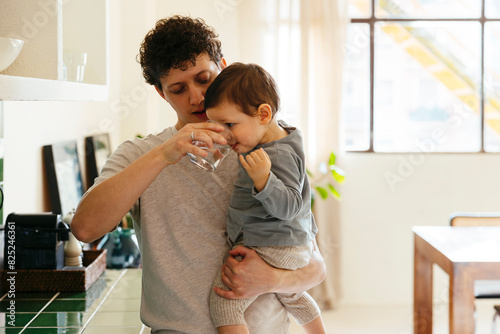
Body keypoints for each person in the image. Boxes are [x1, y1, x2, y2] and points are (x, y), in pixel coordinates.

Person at [71, 15, 326, 333]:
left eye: (204, 78)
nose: (196, 97)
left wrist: (275, 279)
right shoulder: (139, 155)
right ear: (162, 93)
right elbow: (85, 228)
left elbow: (314, 264)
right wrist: (165, 154)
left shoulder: (267, 149)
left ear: (223, 65)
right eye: (178, 89)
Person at [204, 63, 326, 334]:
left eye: (230, 125)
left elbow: (291, 206)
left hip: (273, 243)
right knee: (292, 294)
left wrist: (264, 180)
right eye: (218, 126)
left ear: (263, 113)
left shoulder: (276, 155)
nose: (225, 135)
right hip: (288, 243)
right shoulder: (272, 138)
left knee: (224, 302)